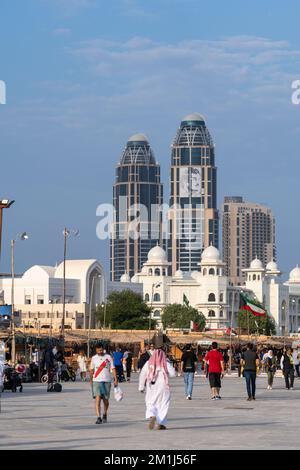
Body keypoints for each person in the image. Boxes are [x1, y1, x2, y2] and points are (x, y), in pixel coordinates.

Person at [139, 348, 176, 430]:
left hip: (151, 386)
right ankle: (161, 423)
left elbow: (143, 375)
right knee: (163, 405)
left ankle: (152, 415)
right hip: (163, 387)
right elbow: (173, 374)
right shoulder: (165, 363)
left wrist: (141, 386)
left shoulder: (148, 363)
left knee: (150, 402)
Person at [90, 343, 118, 424]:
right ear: (96, 350)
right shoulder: (94, 358)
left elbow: (113, 368)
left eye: (101, 350)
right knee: (97, 399)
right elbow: (91, 369)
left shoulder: (108, 357)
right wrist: (91, 379)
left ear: (103, 349)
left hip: (107, 380)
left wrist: (115, 379)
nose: (100, 351)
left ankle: (105, 413)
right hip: (97, 381)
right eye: (98, 350)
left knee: (106, 400)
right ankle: (98, 417)